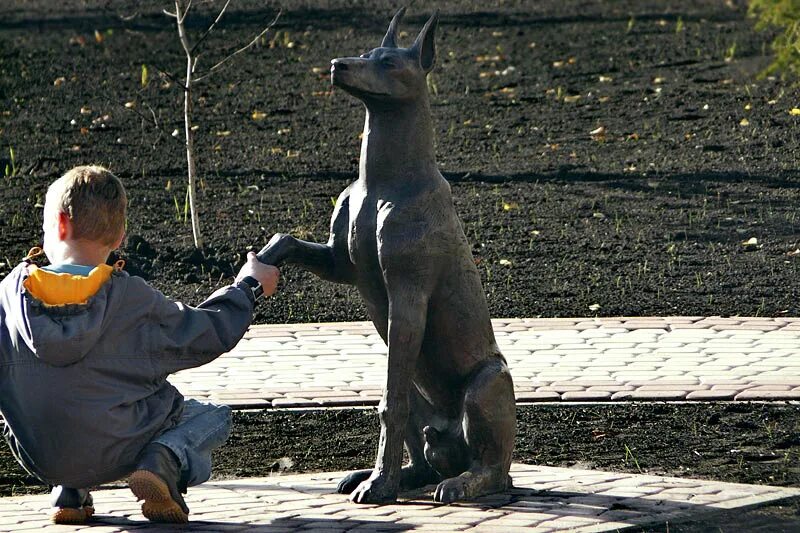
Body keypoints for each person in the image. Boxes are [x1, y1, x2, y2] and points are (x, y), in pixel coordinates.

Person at [0, 165, 279, 524]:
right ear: (119, 239)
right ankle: (163, 460)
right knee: (210, 416)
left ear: (60, 224)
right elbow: (206, 332)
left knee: (44, 397)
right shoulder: (129, 298)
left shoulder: (8, 297)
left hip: (41, 455)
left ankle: (70, 490)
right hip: (118, 449)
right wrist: (248, 287)